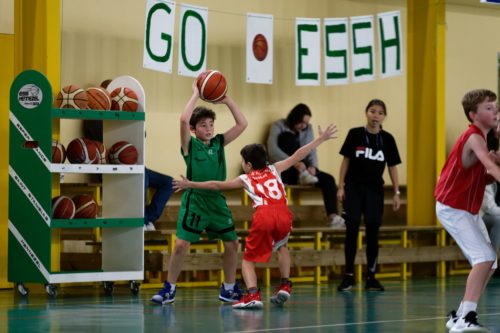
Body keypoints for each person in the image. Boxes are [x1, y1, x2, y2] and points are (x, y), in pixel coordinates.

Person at [174, 124, 338, 309]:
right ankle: (285, 284)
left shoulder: (246, 178)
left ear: (249, 165)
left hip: (265, 215)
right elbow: (298, 155)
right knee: (282, 246)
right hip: (284, 214)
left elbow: (214, 185)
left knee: (247, 261)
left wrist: (191, 184)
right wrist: (320, 139)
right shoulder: (275, 168)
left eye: (243, 161)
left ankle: (252, 294)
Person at [151, 81, 248, 305]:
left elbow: (242, 124)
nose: (209, 128)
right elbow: (184, 120)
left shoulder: (218, 143)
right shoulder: (190, 146)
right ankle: (169, 289)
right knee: (181, 245)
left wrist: (227, 100)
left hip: (216, 201)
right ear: (195, 130)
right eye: (203, 125)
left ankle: (229, 289)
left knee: (232, 244)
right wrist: (196, 93)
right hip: (195, 201)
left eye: (211, 124)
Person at [435, 89, 500, 332]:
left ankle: (460, 315)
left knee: (490, 263)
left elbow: (483, 177)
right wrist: (495, 164)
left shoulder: (481, 138)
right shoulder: (473, 137)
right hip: (453, 207)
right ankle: (466, 318)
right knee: (483, 258)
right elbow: (490, 168)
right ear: (473, 115)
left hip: (467, 208)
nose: (495, 111)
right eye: (488, 108)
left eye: (495, 106)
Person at [336, 99, 401, 292]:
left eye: (380, 113)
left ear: (384, 117)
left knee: (373, 232)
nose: (376, 116)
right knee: (352, 229)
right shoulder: (355, 134)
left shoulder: (387, 139)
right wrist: (341, 186)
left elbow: (392, 167)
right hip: (354, 189)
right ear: (367, 113)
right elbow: (345, 161)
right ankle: (348, 276)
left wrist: (396, 192)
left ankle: (371, 277)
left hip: (375, 191)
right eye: (373, 111)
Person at [82, 120, 173, 231]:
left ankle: (148, 218)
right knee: (142, 177)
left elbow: (141, 136)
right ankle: (142, 221)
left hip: (133, 165)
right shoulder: (94, 120)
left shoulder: (126, 119)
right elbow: (102, 146)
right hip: (111, 166)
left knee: (170, 182)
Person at [267, 103, 344, 228]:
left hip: (305, 170)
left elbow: (312, 149)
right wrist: (293, 163)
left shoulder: (308, 128)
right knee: (288, 137)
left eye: (306, 123)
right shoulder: (278, 125)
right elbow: (272, 150)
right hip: (286, 170)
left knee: (328, 179)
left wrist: (313, 167)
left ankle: (333, 217)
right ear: (294, 118)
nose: (304, 126)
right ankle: (302, 175)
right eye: (301, 123)